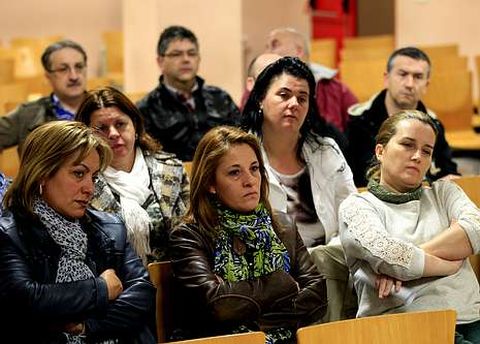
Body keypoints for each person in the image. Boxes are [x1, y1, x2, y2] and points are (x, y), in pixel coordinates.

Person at [0, 121, 156, 343]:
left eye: (93, 177)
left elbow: (143, 294)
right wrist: (101, 289)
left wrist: (87, 326)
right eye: (78, 173)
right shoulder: (9, 233)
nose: (90, 189)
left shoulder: (110, 227)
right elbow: (24, 300)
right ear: (42, 173)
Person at [169, 125, 326, 343]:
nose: (250, 180)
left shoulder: (282, 224)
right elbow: (219, 306)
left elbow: (317, 296)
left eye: (254, 169)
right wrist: (284, 283)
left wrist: (253, 320)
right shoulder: (189, 236)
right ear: (210, 183)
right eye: (234, 172)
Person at [339, 110, 480, 344]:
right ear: (380, 151)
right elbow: (388, 254)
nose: (417, 156)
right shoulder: (357, 206)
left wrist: (405, 263)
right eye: (407, 144)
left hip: (471, 317)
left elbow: (476, 229)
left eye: (427, 151)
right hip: (404, 327)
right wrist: (450, 263)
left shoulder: (444, 192)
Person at [242, 56, 357, 321]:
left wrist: (327, 255)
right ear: (260, 98)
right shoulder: (240, 153)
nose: (294, 104)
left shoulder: (325, 150)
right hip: (268, 269)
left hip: (329, 261)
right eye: (284, 94)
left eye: (302, 98)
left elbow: (352, 213)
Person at [76, 86, 189, 264]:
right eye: (102, 128)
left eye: (120, 124)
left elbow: (193, 232)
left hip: (175, 280)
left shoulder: (171, 169)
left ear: (135, 126)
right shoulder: (81, 180)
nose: (113, 134)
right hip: (116, 283)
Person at [347, 46, 459, 187]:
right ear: (387, 78)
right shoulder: (358, 122)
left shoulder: (433, 124)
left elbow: (447, 170)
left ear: (426, 85)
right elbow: (352, 180)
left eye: (418, 77)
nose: (409, 84)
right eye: (403, 74)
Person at [137, 25, 241, 161]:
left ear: (199, 59)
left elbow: (241, 141)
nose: (186, 59)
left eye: (192, 53)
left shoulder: (220, 98)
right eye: (176, 54)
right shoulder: (146, 109)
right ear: (160, 62)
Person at [0, 39, 88, 152]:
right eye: (63, 69)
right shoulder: (28, 114)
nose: (74, 76)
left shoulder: (103, 109)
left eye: (79, 67)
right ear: (48, 76)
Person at [266, 27, 358, 133]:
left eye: (274, 45)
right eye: (267, 47)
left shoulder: (336, 89)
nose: (267, 52)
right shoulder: (259, 85)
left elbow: (357, 132)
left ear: (298, 51)